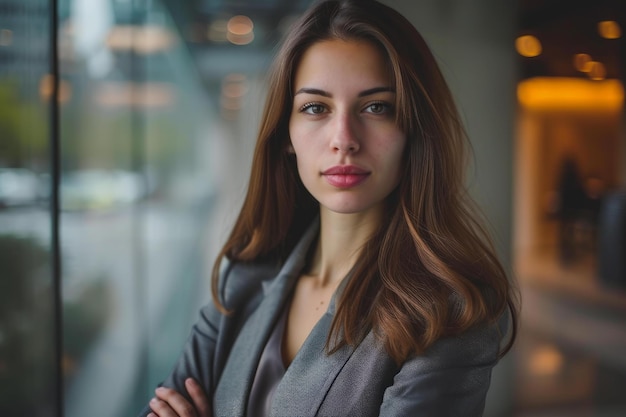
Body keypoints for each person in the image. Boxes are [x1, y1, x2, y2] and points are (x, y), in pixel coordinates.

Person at [139, 0, 518, 416]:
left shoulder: (448, 313)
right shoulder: (243, 278)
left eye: (376, 107)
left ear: (414, 128)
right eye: (315, 108)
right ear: (286, 134)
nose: (344, 138)